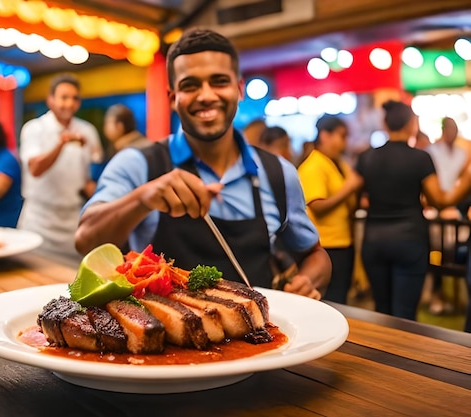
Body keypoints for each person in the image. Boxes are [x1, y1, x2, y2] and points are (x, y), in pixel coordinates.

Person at [75, 28, 330, 299]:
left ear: (239, 89)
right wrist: (144, 197)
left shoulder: (278, 173)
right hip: (160, 334)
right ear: (173, 98)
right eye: (190, 85)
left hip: (260, 337)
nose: (206, 95)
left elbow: (315, 255)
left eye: (219, 81)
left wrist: (306, 281)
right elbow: (85, 240)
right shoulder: (137, 164)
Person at [356, 100, 471, 320]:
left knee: (382, 310)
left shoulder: (367, 157)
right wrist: (467, 180)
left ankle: (381, 354)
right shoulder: (420, 158)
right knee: (405, 313)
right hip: (410, 240)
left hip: (374, 239)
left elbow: (351, 192)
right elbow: (439, 200)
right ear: (412, 124)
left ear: (386, 124)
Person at [18, 73, 103, 263]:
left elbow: (94, 169)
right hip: (39, 219)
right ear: (50, 100)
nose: (69, 103)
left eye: (75, 98)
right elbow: (35, 169)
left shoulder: (87, 130)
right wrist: (61, 143)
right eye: (64, 97)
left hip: (73, 219)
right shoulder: (34, 128)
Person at [297, 116, 363, 304]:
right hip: (327, 245)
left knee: (341, 298)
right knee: (331, 301)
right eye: (341, 136)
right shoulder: (314, 165)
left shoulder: (336, 162)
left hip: (342, 242)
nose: (344, 143)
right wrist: (349, 188)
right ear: (325, 136)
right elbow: (317, 206)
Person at [425, 117, 469, 314]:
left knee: (451, 254)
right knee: (437, 254)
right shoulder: (432, 152)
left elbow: (460, 181)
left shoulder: (461, 154)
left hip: (452, 207)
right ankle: (437, 294)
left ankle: (452, 297)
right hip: (437, 208)